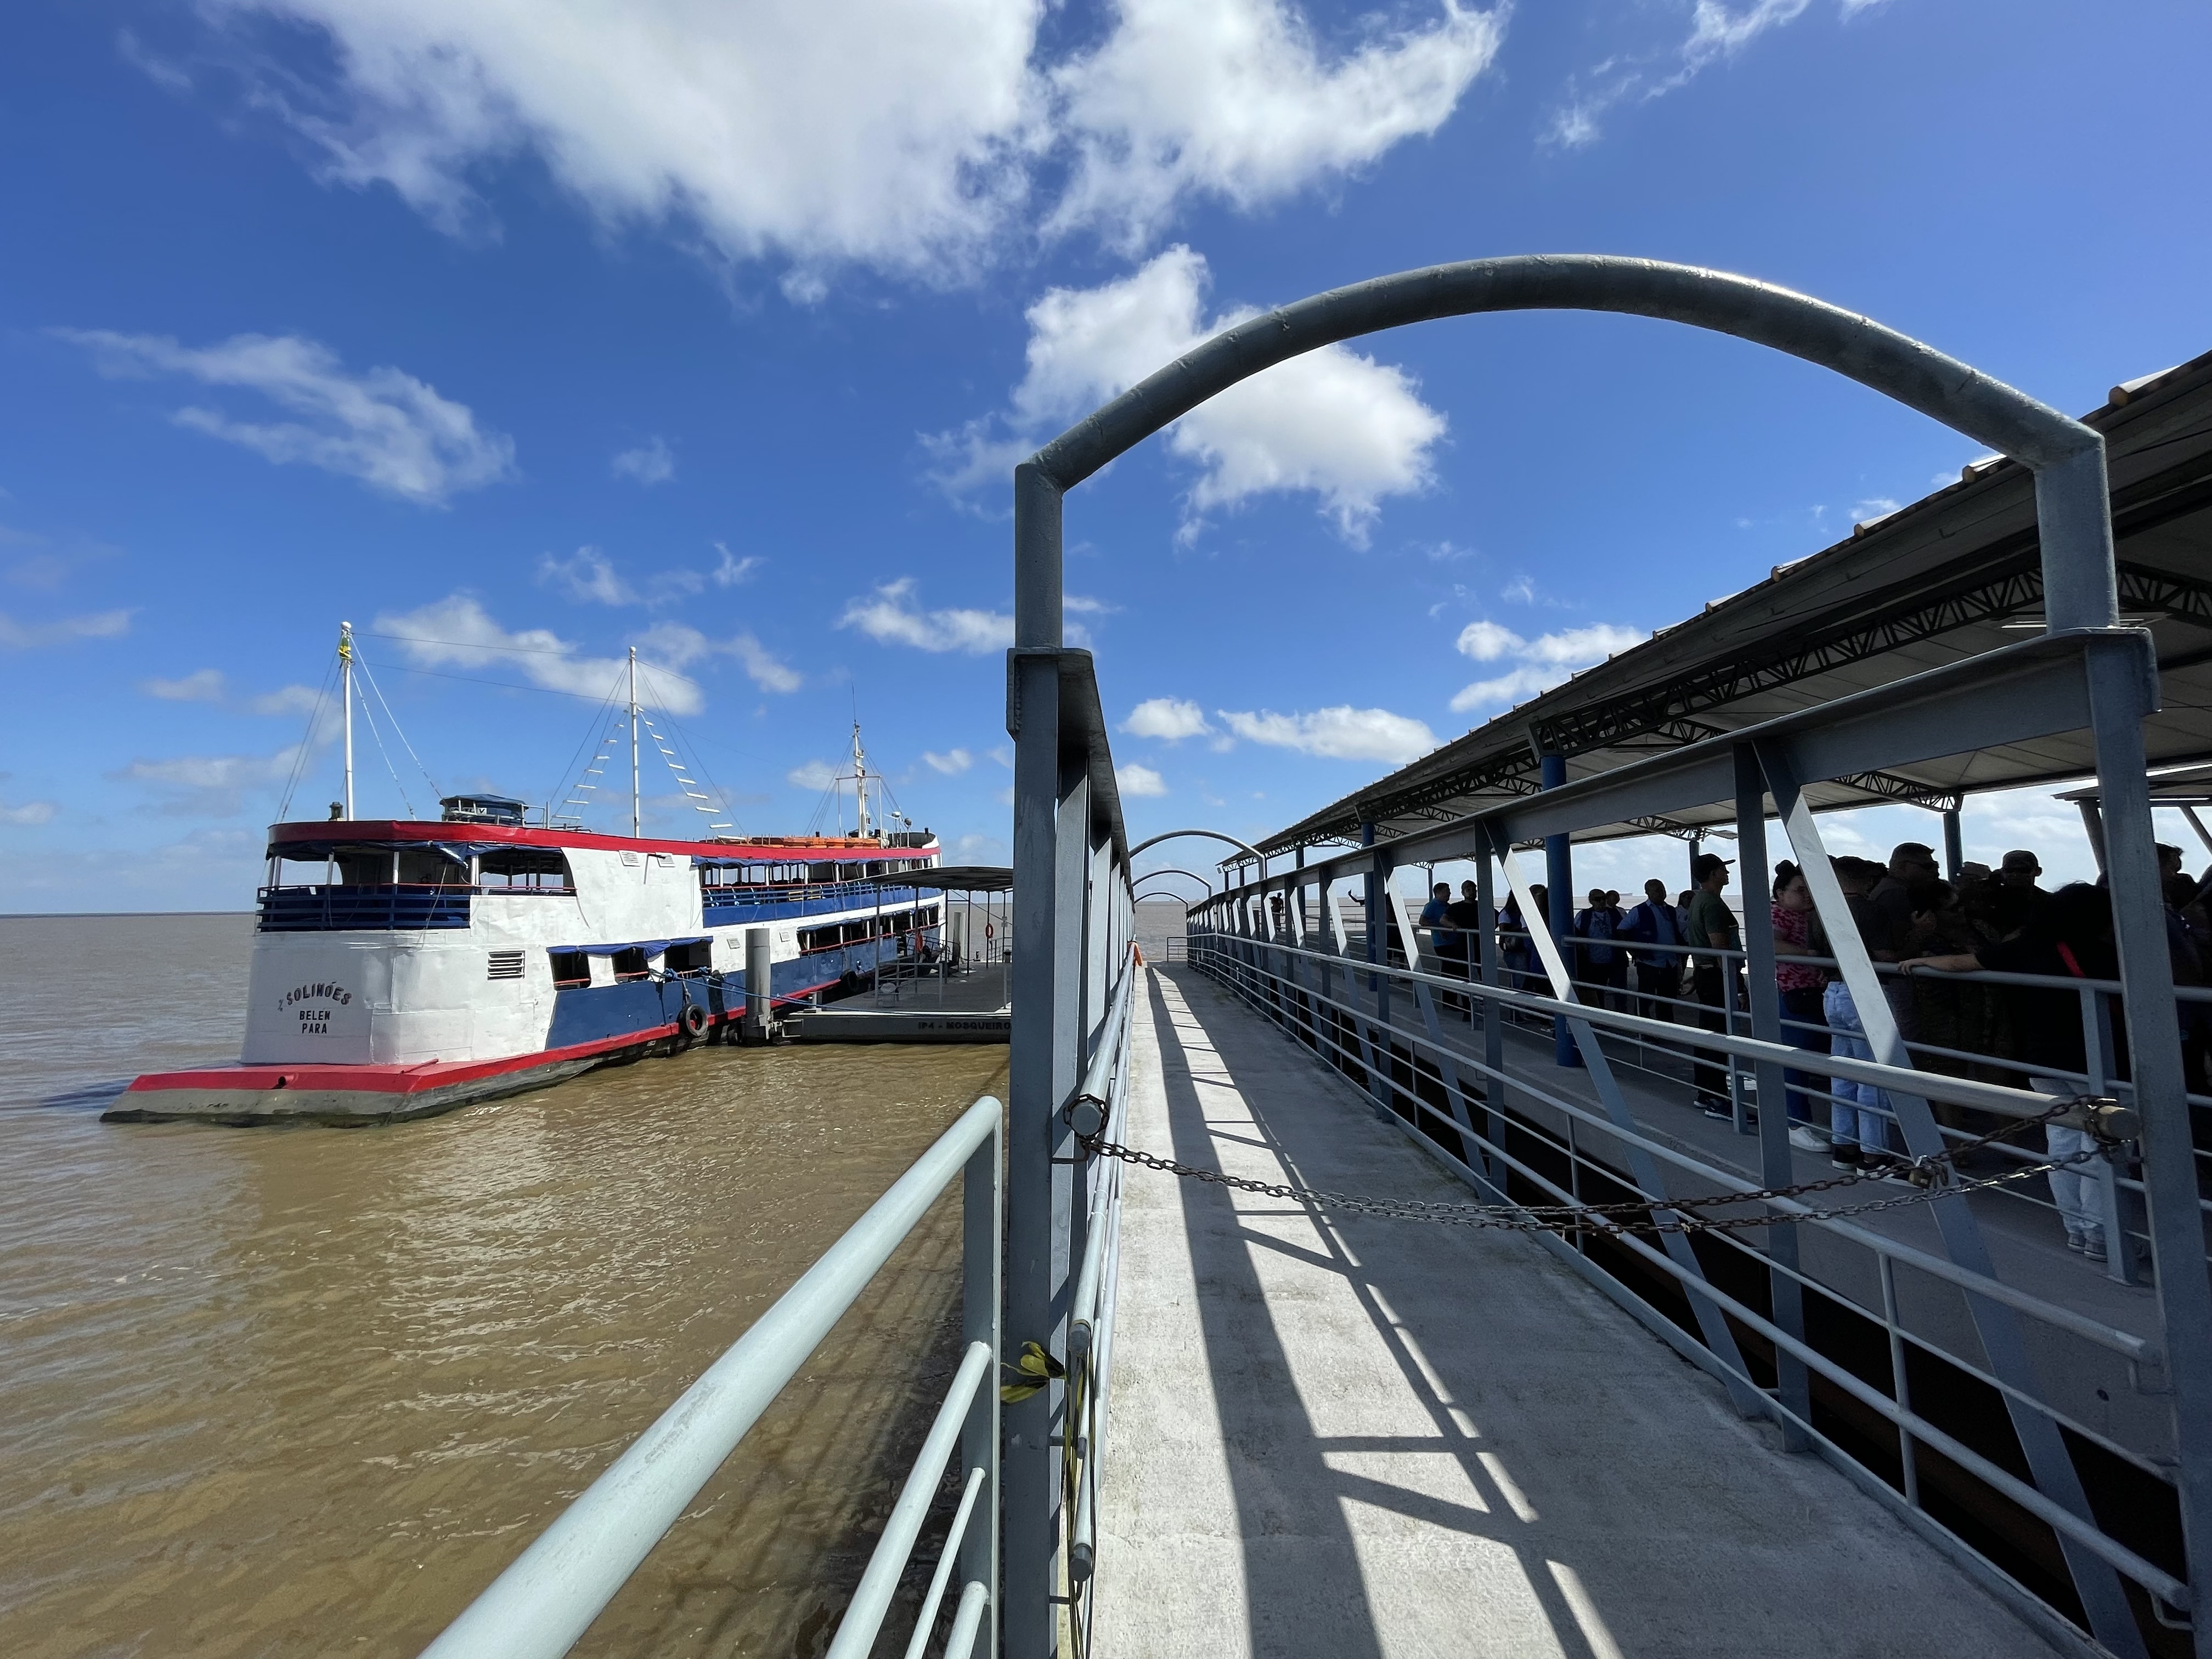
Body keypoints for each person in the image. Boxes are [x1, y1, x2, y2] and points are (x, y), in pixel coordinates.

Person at [1902, 884, 2119, 1261]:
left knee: (2062, 1140)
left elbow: (1963, 963)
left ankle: (2077, 1229)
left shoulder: (2027, 946)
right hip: (2097, 1059)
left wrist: (1916, 963)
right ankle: (2102, 1236)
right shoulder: (2106, 954)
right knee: (2101, 1142)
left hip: (2042, 1058)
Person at [1822, 856, 1901, 1173]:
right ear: (1866, 880)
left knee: (1843, 1073)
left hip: (1833, 992)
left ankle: (1844, 1148)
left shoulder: (1822, 911)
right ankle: (1874, 1157)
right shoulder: (1871, 910)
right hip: (1865, 993)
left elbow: (1814, 952)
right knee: (1872, 1078)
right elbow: (1885, 956)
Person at [1769, 861, 1832, 1151]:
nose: (1807, 895)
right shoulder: (1779, 914)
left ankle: (1803, 1121)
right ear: (1781, 894)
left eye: (1809, 890)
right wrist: (1810, 954)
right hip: (1795, 993)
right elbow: (1770, 944)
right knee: (1796, 1058)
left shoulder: (1806, 916)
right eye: (1800, 890)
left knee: (1813, 1055)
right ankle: (1796, 1124)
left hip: (1813, 991)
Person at [1685, 853, 1742, 1118]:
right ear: (1713, 874)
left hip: (1706, 974)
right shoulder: (1713, 904)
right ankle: (1718, 1100)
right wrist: (1737, 986)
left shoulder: (1700, 900)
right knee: (1719, 1036)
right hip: (1717, 977)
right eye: (1723, 869)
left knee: (1708, 1034)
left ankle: (1706, 1093)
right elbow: (1721, 949)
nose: (1727, 874)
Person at [1622, 877, 1686, 1023]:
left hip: (1670, 962)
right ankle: (1642, 1026)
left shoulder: (1670, 910)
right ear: (1648, 892)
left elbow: (1676, 932)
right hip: (1649, 961)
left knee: (1668, 997)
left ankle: (1666, 1026)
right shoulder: (1639, 910)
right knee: (1646, 996)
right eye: (1657, 890)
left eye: (1662, 889)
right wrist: (1634, 951)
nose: (1661, 893)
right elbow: (1622, 929)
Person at [1572, 887, 1628, 1010]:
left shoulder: (1617, 913)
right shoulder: (1583, 915)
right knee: (1597, 991)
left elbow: (1626, 930)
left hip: (1616, 959)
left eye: (1604, 898)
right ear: (1591, 901)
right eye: (1598, 899)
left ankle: (1621, 1015)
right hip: (1593, 961)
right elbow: (1576, 933)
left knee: (1620, 991)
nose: (1602, 902)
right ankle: (1600, 1013)